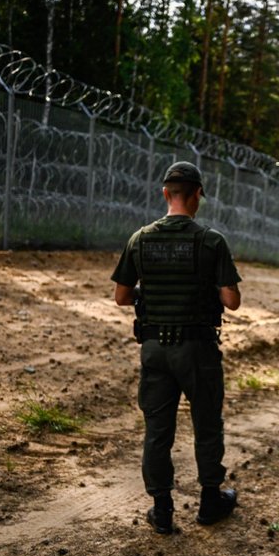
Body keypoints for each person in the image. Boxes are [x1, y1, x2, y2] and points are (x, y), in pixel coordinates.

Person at [111, 160, 242, 535]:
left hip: (154, 349)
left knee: (157, 430)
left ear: (165, 193)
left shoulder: (139, 239)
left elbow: (121, 296)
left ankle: (162, 508)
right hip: (197, 351)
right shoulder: (211, 241)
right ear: (197, 194)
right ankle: (209, 502)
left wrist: (149, 292)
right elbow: (231, 301)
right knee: (206, 425)